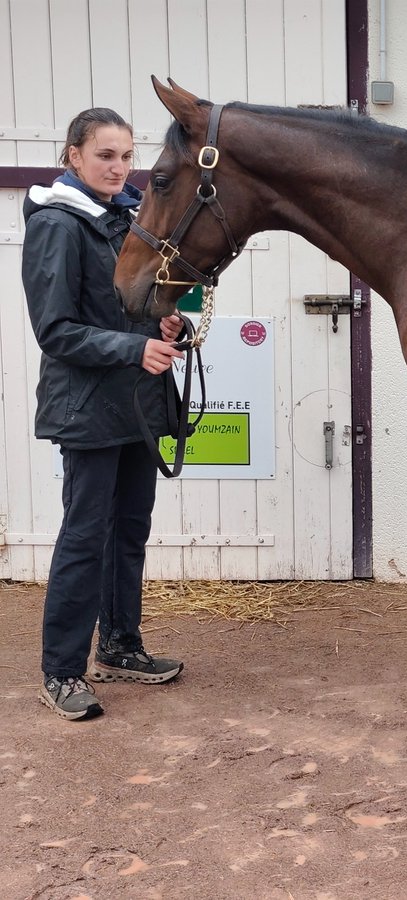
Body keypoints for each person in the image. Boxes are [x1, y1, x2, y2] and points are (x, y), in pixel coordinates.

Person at [22, 107, 188, 720]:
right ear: (73, 156)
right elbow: (56, 330)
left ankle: (119, 645)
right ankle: (61, 670)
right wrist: (133, 346)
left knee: (129, 531)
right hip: (88, 407)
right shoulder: (58, 226)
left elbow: (133, 303)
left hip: (135, 405)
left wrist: (167, 324)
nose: (119, 168)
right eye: (105, 156)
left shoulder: (129, 216)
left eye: (126, 156)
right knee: (85, 537)